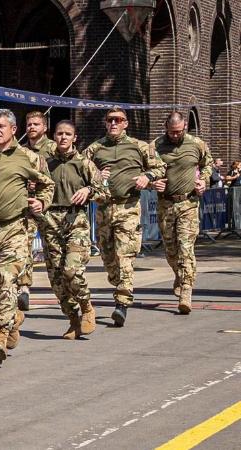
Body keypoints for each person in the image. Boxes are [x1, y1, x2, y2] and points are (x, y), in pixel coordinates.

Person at [0, 108, 54, 365]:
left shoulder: (28, 158)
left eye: (1, 126)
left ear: (13, 130)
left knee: (7, 278)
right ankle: (13, 318)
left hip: (15, 229)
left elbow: (47, 184)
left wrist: (41, 202)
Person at [84, 107, 165, 327]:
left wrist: (146, 177)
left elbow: (160, 168)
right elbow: (80, 173)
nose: (113, 123)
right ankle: (119, 283)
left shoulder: (139, 147)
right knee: (109, 259)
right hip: (103, 210)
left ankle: (122, 303)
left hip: (128, 208)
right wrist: (97, 176)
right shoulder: (95, 148)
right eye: (110, 120)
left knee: (124, 257)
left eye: (118, 120)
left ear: (125, 123)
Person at [37, 120, 106, 339]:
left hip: (76, 219)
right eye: (59, 134)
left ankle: (87, 306)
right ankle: (73, 319)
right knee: (57, 278)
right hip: (50, 221)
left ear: (74, 138)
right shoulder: (45, 164)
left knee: (71, 270)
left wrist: (88, 191)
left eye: (68, 134)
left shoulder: (84, 164)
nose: (63, 138)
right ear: (54, 136)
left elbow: (105, 192)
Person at [149, 112, 213, 314]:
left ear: (185, 127)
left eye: (180, 131)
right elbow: (145, 170)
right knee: (170, 249)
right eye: (172, 132)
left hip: (188, 202)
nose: (176, 136)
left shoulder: (196, 144)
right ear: (165, 127)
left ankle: (186, 290)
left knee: (186, 247)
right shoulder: (155, 146)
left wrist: (204, 180)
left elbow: (208, 165)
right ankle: (179, 273)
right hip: (166, 204)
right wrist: (152, 183)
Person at [17, 111, 57, 311]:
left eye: (36, 124)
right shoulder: (21, 152)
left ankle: (62, 290)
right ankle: (24, 288)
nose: (32, 127)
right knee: (24, 248)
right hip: (28, 207)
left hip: (52, 208)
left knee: (54, 253)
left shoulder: (55, 149)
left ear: (45, 127)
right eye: (29, 124)